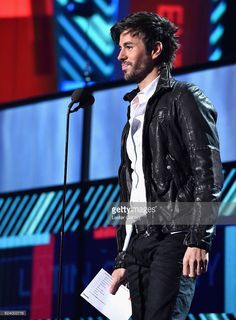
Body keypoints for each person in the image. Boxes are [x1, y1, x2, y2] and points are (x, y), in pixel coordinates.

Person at [109, 11, 224, 320]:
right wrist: (122, 256)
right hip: (138, 241)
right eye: (120, 47)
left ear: (156, 50)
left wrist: (198, 238)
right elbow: (131, 189)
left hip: (174, 235)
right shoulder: (132, 110)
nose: (120, 55)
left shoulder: (183, 97)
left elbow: (207, 171)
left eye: (129, 46)